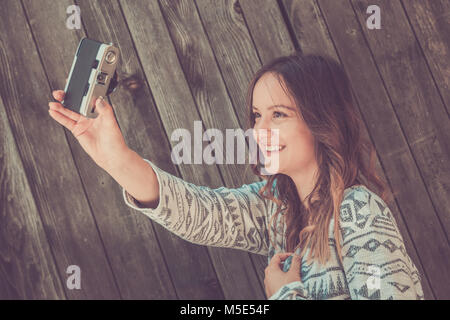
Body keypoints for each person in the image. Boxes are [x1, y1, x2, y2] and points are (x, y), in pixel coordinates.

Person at [48, 52, 424, 300]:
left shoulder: (357, 210)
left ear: (323, 120)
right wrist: (116, 159)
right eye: (257, 116)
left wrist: (286, 295)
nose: (261, 130)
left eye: (279, 114)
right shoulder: (277, 210)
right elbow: (201, 214)